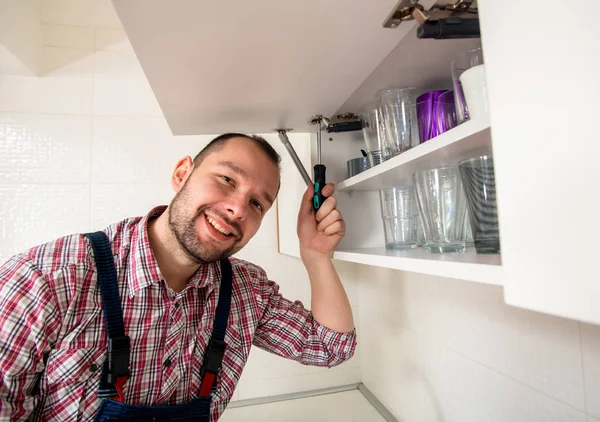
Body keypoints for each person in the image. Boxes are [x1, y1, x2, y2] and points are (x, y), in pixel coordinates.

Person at [0, 133, 356, 421]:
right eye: (227, 179)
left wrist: (316, 256)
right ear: (182, 173)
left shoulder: (247, 291)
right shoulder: (46, 279)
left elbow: (329, 347)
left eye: (257, 204)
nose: (236, 209)